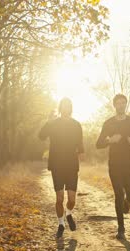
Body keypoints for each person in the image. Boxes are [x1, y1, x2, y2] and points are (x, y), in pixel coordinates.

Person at [96, 94, 130, 240]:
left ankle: (128, 202)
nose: (121, 105)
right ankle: (121, 228)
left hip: (129, 165)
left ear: (126, 104)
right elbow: (98, 144)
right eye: (118, 103)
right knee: (118, 195)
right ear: (114, 105)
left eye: (123, 103)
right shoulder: (108, 123)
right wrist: (109, 140)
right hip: (114, 165)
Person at [39, 98, 84, 238]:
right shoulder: (53, 123)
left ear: (70, 108)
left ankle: (69, 213)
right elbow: (41, 136)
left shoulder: (77, 125)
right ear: (60, 108)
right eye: (63, 106)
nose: (65, 108)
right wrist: (48, 121)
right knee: (59, 198)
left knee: (71, 199)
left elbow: (81, 147)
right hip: (57, 165)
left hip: (71, 166)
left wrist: (79, 161)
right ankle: (61, 224)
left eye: (68, 106)